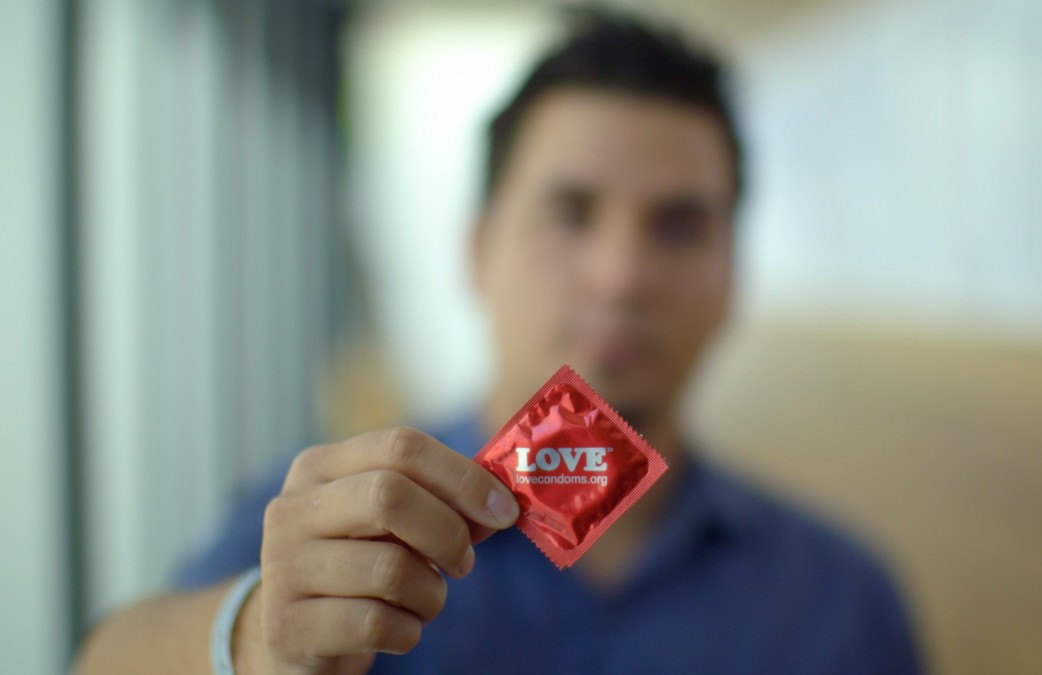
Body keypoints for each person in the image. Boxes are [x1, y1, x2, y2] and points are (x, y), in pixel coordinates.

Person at [76, 8, 922, 674]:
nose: (622, 273)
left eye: (679, 226)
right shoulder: (325, 524)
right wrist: (260, 639)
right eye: (570, 213)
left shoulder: (842, 600)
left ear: (732, 277)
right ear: (478, 252)